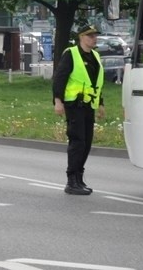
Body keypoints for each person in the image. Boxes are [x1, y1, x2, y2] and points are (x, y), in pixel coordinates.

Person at [52, 24, 105, 195]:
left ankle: (79, 178)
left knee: (87, 143)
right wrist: (57, 101)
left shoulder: (95, 56)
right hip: (74, 105)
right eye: (90, 36)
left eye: (95, 36)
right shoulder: (71, 54)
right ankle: (71, 180)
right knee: (78, 141)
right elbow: (60, 78)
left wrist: (101, 103)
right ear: (81, 37)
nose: (94, 38)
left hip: (89, 105)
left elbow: (96, 82)